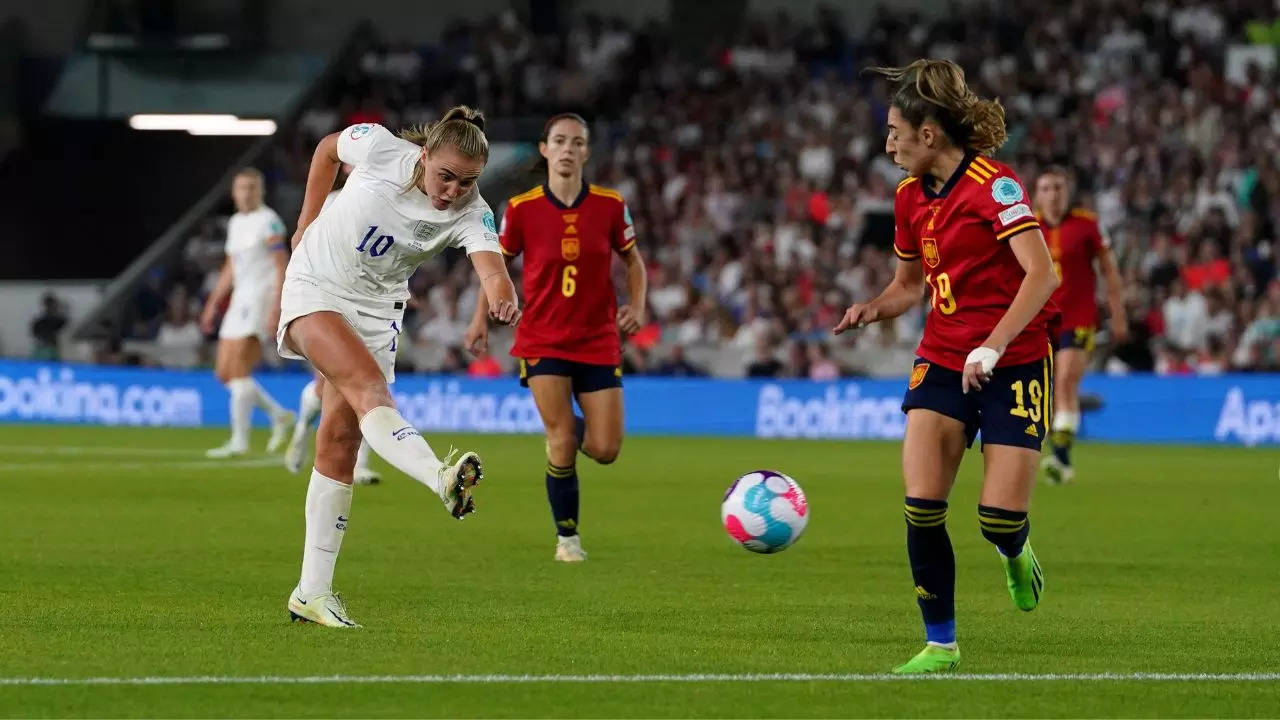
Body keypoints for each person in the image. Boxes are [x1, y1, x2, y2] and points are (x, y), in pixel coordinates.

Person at [834, 59, 1059, 673]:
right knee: (922, 505)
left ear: (927, 135)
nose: (887, 144)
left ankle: (1015, 551)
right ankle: (941, 644)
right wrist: (874, 308)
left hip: (1012, 360)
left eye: (893, 132)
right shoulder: (908, 197)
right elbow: (909, 285)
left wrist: (992, 344)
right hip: (940, 360)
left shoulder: (995, 185)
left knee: (997, 518)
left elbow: (1043, 274)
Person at [279, 107, 521, 627]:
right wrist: (305, 222)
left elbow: (492, 269)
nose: (454, 189)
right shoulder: (380, 147)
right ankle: (439, 478)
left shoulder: (472, 212)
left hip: (378, 311)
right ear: (426, 155)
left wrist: (502, 296)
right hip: (316, 283)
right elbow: (326, 149)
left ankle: (311, 594)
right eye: (446, 175)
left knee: (341, 445)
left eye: (468, 181)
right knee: (369, 390)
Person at [466, 112, 646, 563]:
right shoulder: (522, 209)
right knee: (562, 440)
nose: (568, 149)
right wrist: (479, 319)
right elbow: (495, 265)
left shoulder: (609, 205)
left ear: (586, 152)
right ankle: (568, 539)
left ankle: (567, 430)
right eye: (560, 141)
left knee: (605, 449)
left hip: (598, 339)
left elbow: (634, 263)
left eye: (577, 142)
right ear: (545, 150)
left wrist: (638, 306)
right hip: (542, 338)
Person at [283, 164, 380, 486]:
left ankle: (360, 463)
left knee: (370, 383)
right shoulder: (330, 202)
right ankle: (301, 433)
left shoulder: (385, 202)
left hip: (373, 305)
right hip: (332, 301)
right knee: (331, 384)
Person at [1033, 168, 1127, 485]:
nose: (1054, 194)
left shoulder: (1087, 224)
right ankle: (1061, 455)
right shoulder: (1028, 228)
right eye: (1046, 188)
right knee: (1045, 391)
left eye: (1059, 187)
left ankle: (1059, 460)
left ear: (1067, 192)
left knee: (1064, 382)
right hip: (1039, 319)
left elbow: (1110, 274)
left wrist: (1118, 315)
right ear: (1038, 194)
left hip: (1078, 318)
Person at [199, 168, 295, 458]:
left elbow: (282, 265)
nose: (247, 193)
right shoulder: (237, 223)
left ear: (261, 191)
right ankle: (280, 415)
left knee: (239, 371)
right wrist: (213, 302)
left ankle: (239, 440)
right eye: (242, 188)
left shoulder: (270, 222)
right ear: (234, 192)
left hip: (260, 299)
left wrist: (277, 307)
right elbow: (231, 267)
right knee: (224, 374)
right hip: (240, 300)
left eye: (252, 188)